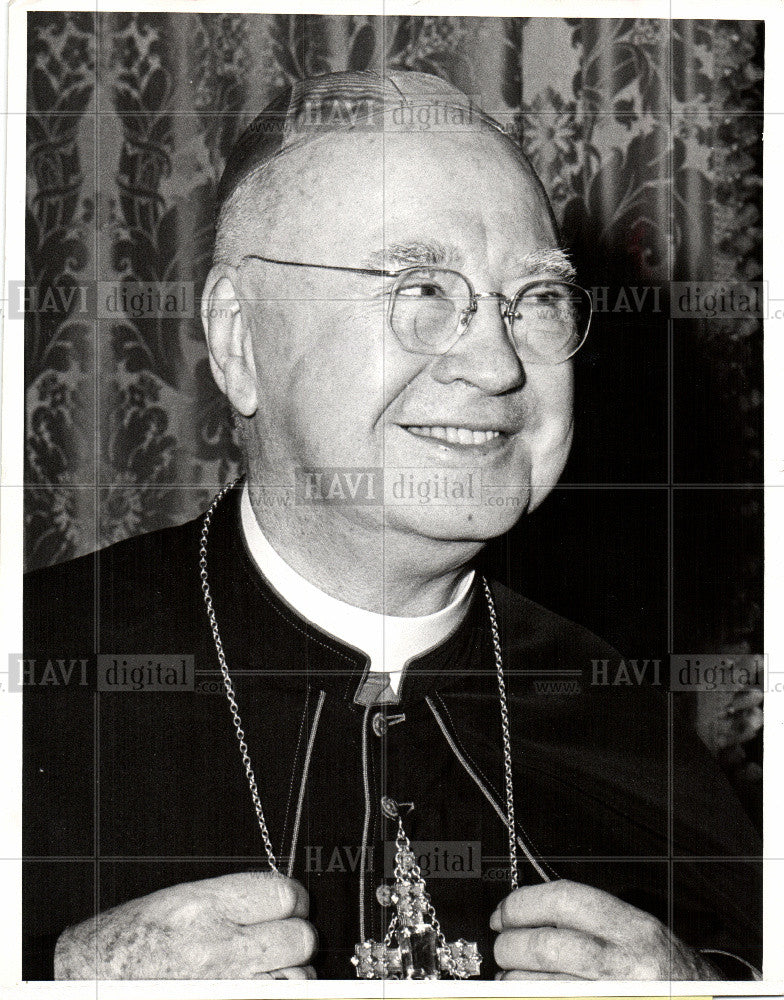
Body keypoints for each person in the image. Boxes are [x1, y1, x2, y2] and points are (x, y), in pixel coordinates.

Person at [23, 70, 761, 981]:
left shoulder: (633, 729)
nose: (495, 365)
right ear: (237, 338)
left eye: (535, 300)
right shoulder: (35, 672)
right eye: (419, 289)